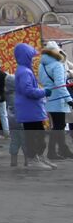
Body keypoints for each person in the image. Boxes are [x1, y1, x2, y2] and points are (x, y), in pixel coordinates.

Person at [14, 42, 56, 170]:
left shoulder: (24, 70)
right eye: (31, 56)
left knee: (37, 134)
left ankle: (38, 157)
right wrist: (43, 91)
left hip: (31, 109)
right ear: (25, 57)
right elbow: (28, 91)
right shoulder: (25, 71)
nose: (33, 59)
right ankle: (33, 159)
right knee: (34, 135)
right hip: (30, 109)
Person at [38, 41, 72, 159]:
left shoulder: (42, 64)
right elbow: (60, 84)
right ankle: (52, 152)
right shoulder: (57, 64)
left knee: (57, 125)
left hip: (49, 97)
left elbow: (42, 81)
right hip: (58, 97)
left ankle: (61, 150)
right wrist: (69, 100)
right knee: (59, 125)